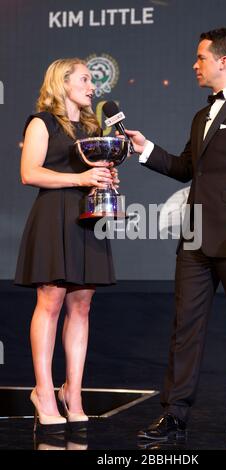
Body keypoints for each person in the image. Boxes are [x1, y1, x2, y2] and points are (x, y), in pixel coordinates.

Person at [124, 28, 226, 442]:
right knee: (185, 328)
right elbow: (185, 169)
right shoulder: (200, 115)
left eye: (201, 58)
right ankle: (174, 415)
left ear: (223, 61)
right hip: (195, 239)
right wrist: (145, 148)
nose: (195, 65)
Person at [15, 58, 118, 433]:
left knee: (82, 304)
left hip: (86, 218)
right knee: (51, 300)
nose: (93, 87)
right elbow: (30, 173)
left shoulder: (92, 127)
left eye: (92, 81)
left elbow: (92, 174)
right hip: (53, 216)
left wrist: (102, 180)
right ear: (63, 83)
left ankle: (72, 393)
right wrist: (81, 178)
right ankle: (43, 392)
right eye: (86, 79)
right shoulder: (41, 122)